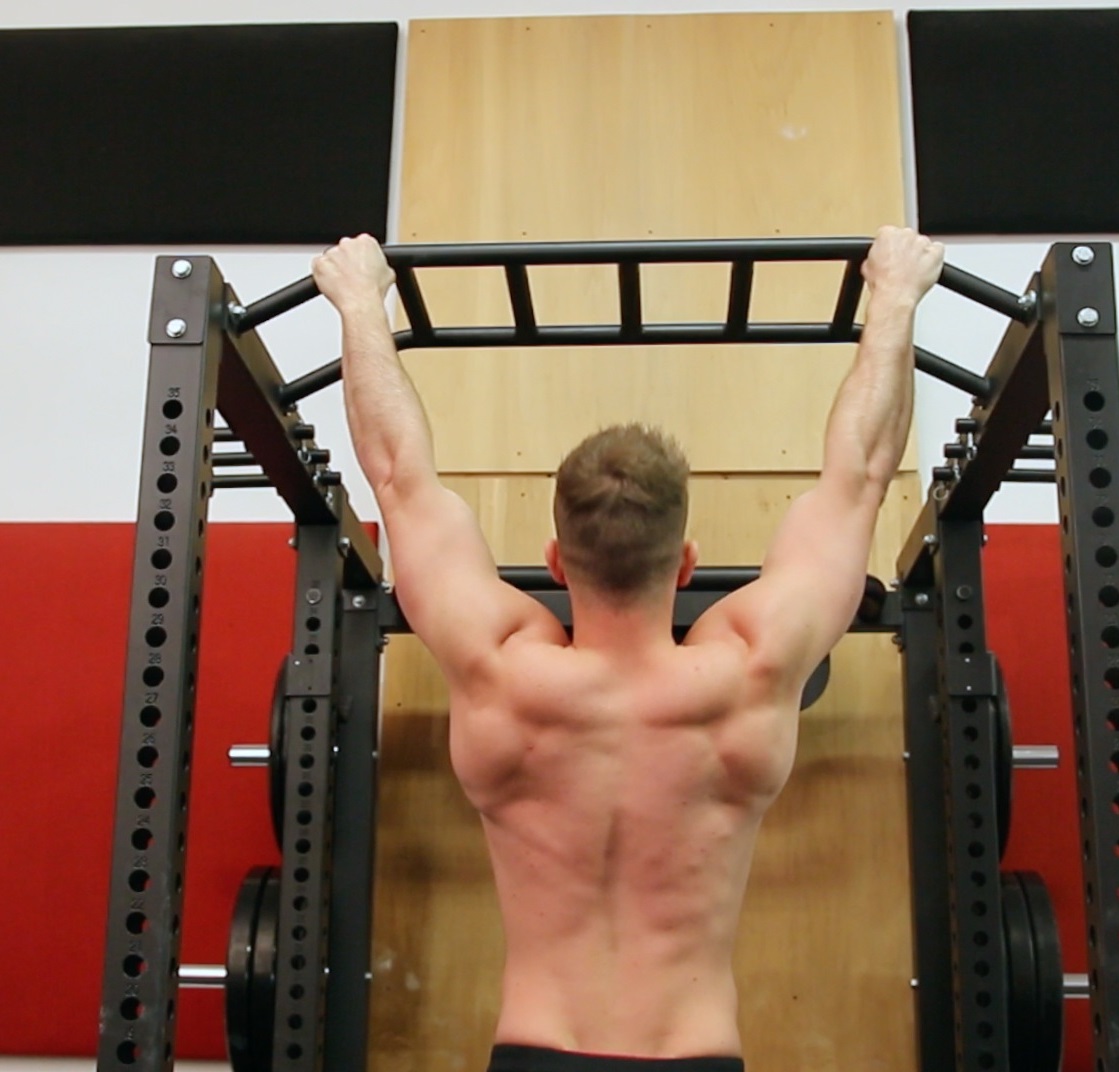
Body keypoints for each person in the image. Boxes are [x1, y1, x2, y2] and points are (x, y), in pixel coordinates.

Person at [312, 226, 946, 1072]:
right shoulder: (749, 669)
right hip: (693, 1055)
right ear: (686, 563)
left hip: (538, 1053)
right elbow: (861, 475)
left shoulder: (500, 669)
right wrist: (894, 296)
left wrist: (360, 302)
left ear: (553, 561)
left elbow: (396, 475)